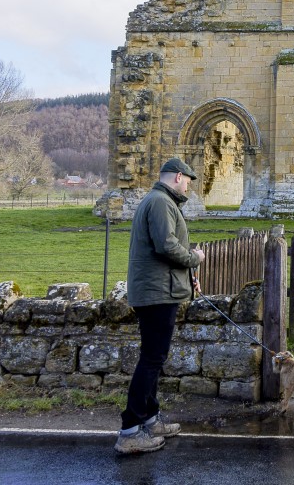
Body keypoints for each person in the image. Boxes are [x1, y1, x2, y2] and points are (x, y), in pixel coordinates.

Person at [115, 157, 206, 456]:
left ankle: (150, 420)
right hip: (157, 294)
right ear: (178, 177)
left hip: (160, 290)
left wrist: (187, 276)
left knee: (154, 357)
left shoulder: (160, 200)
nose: (189, 187)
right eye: (189, 181)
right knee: (152, 359)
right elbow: (166, 245)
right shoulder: (160, 202)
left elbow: (164, 248)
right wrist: (194, 259)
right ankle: (129, 431)